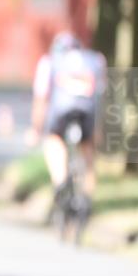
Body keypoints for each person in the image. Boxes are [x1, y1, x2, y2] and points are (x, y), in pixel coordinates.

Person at [28, 30, 107, 216]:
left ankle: (60, 181)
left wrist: (36, 128)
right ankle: (87, 198)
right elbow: (101, 95)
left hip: (61, 112)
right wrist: (99, 129)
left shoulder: (49, 62)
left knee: (53, 141)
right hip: (88, 112)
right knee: (88, 153)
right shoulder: (95, 60)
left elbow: (41, 98)